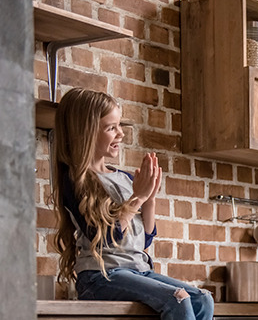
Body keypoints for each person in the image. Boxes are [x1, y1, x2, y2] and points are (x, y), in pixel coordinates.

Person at [52, 88, 214, 320]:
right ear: (85, 133)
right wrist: (137, 197)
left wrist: (150, 198)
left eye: (120, 126)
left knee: (202, 299)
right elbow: (107, 238)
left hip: (138, 270)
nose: (121, 134)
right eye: (111, 128)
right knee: (177, 298)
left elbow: (144, 240)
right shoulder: (76, 181)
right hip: (100, 277)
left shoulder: (126, 179)